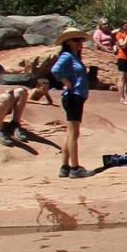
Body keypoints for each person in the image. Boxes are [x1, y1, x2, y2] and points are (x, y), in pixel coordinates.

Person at [49, 28, 91, 178]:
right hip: (73, 96)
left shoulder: (74, 56)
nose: (80, 43)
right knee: (74, 133)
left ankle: (65, 166)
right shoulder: (67, 55)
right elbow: (55, 69)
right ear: (67, 42)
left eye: (81, 40)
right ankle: (75, 168)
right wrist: (65, 81)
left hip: (76, 96)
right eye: (76, 40)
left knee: (70, 133)